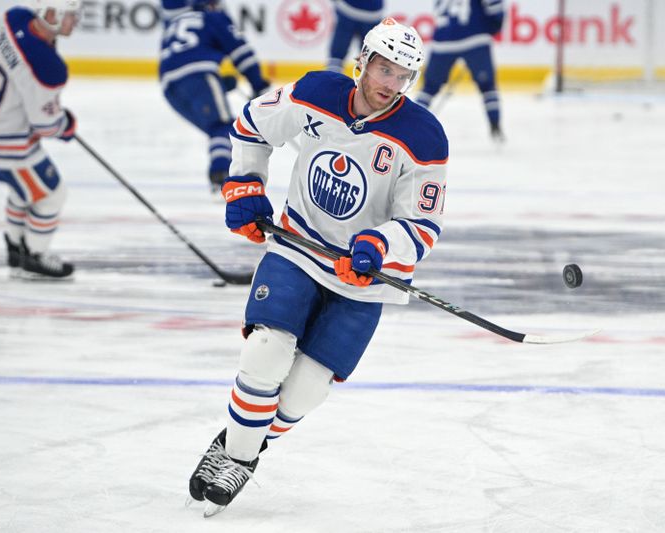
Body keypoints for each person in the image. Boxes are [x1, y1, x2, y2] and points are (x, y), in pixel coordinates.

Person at [188, 17, 448, 516]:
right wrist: (244, 184)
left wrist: (379, 246)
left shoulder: (424, 136)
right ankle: (239, 458)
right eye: (383, 69)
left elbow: (422, 224)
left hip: (363, 280)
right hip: (297, 248)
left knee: (305, 391)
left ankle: (240, 443)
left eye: (402, 76)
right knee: (265, 352)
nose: (389, 84)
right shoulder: (316, 92)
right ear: (363, 62)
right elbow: (251, 124)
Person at [0, 0, 79, 280]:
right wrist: (65, 124)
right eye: (68, 15)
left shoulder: (13, 18)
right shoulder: (47, 66)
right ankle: (35, 256)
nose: (74, 21)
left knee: (24, 191)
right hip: (6, 141)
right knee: (52, 194)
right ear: (47, 15)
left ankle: (16, 248)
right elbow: (45, 125)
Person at [159, 0, 271, 192]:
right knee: (222, 127)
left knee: (216, 129)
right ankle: (221, 178)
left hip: (170, 87)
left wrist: (218, 82)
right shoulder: (213, 17)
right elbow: (241, 52)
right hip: (199, 75)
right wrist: (259, 85)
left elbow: (183, 61)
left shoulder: (174, 22)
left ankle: (219, 177)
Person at [416, 0, 506, 141]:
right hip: (475, 37)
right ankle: (495, 125)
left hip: (443, 39)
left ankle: (412, 122)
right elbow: (494, 6)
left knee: (429, 88)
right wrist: (495, 24)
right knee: (487, 86)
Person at [326, 0, 384, 73]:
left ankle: (332, 76)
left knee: (369, 58)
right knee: (369, 57)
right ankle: (332, 75)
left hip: (351, 10)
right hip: (365, 11)